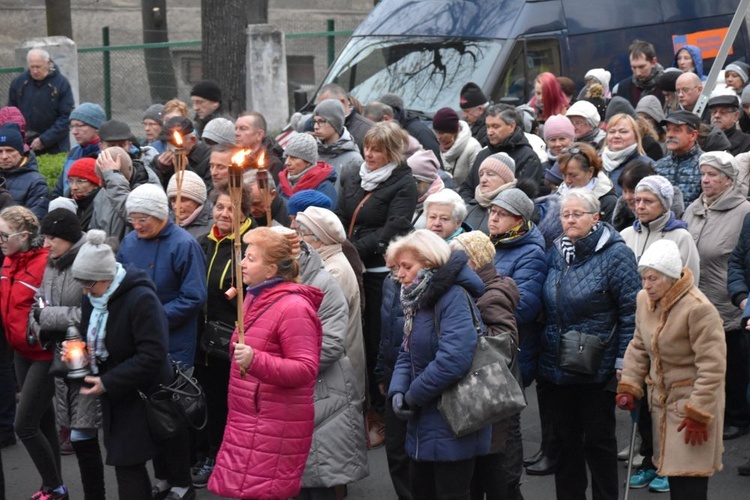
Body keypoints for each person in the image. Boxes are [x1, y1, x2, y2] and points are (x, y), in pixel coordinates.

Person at [208, 227, 323, 499]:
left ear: (271, 270)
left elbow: (306, 368)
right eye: (244, 256)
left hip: (274, 421)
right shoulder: (254, 297)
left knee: (265, 492)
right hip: (250, 416)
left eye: (250, 258)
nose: (242, 264)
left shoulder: (294, 307)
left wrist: (256, 360)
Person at [540, 189, 640, 500]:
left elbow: (631, 312)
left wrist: (624, 361)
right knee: (564, 441)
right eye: (565, 214)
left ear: (595, 217)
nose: (569, 219)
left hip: (596, 366)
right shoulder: (557, 250)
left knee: (598, 442)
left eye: (576, 214)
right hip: (557, 364)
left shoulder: (616, 254)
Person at [116, 184, 207, 500]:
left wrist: (151, 318)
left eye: (143, 219)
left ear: (160, 215)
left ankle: (182, 482)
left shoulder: (184, 244)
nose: (137, 225)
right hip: (139, 344)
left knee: (171, 418)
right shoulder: (128, 242)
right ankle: (163, 478)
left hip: (175, 342)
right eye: (133, 219)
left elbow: (194, 296)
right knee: (147, 416)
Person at [617, 239, 726, 500]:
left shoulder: (699, 309)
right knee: (672, 475)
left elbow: (713, 367)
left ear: (671, 277)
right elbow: (639, 344)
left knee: (689, 483)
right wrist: (630, 385)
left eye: (653, 278)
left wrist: (699, 413)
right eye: (643, 278)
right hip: (663, 405)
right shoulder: (645, 299)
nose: (646, 285)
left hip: (693, 407)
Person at [386, 230, 490, 500]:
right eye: (398, 267)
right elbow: (406, 352)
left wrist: (412, 396)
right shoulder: (417, 299)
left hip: (454, 418)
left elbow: (453, 360)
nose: (400, 274)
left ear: (430, 263)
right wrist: (397, 391)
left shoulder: (452, 297)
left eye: (406, 267)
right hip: (425, 419)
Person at [71, 229, 174, 498]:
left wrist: (107, 382)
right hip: (117, 392)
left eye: (89, 284)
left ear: (106, 277)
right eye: (81, 284)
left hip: (144, 392)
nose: (85, 290)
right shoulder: (92, 296)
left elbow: (153, 354)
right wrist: (77, 352)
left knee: (128, 461)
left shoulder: (140, 298)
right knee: (127, 459)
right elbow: (87, 335)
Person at [335, 121, 417, 448]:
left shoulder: (404, 183)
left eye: (377, 150)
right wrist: (341, 243)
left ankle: (380, 413)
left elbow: (393, 228)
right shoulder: (355, 174)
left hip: (377, 270)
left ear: (392, 152)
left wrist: (354, 249)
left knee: (374, 338)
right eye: (367, 147)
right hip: (349, 261)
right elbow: (342, 212)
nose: (369, 154)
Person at [29, 209, 105, 499]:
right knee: (74, 432)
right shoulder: (52, 262)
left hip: (86, 359)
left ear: (69, 239)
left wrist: (46, 317)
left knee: (84, 436)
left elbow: (92, 312)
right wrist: (39, 324)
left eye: (52, 239)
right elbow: (38, 302)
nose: (46, 245)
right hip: (60, 358)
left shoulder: (90, 261)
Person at [683, 151, 750, 444]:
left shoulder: (743, 212)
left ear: (728, 179)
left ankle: (737, 416)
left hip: (728, 301)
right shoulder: (694, 209)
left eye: (712, 175)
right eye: (703, 174)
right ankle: (709, 411)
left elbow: (739, 259)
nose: (705, 180)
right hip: (697, 297)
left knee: (732, 364)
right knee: (704, 361)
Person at [0, 206, 67, 499]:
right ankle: (53, 484)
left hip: (44, 353)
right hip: (19, 351)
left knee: (24, 425)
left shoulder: (44, 264)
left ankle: (55, 486)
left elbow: (54, 307)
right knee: (41, 421)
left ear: (24, 235)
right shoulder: (8, 261)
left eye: (4, 235)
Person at [449, 230, 520, 500]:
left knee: (496, 475)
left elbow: (505, 343)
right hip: (487, 396)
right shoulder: (479, 288)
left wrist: (462, 332)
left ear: (473, 262)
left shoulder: (491, 295)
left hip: (490, 396)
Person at [193, 185, 254, 489]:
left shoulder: (250, 244)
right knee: (206, 401)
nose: (224, 213)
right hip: (201, 340)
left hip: (231, 342)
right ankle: (208, 454)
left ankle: (227, 459)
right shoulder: (203, 243)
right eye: (219, 207)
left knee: (229, 405)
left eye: (232, 208)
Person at [486, 189, 547, 489]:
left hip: (513, 350)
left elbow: (524, 306)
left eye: (500, 214)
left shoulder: (531, 252)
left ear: (518, 220)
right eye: (492, 212)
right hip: (490, 345)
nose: (492, 218)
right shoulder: (492, 245)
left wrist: (480, 300)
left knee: (508, 423)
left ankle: (510, 487)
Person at [621, 175, 700, 281]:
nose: (640, 206)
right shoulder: (625, 235)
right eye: (637, 200)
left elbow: (689, 284)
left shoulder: (681, 238)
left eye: (648, 201)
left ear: (664, 205)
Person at [459, 104, 543, 201]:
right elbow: (467, 188)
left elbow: (523, 199)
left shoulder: (528, 158)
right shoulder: (482, 154)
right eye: (488, 127)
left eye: (495, 127)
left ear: (511, 126)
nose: (490, 132)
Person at [8, 48, 74, 155]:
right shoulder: (19, 82)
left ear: (48, 63)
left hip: (56, 146)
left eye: (38, 67)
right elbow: (11, 113)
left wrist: (44, 139)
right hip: (26, 145)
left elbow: (66, 117)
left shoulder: (61, 84)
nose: (35, 71)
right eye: (32, 67)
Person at [53, 102, 106, 198]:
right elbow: (59, 189)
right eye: (72, 126)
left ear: (97, 128)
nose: (74, 132)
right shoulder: (73, 153)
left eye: (79, 126)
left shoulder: (106, 155)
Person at [556, 143, 618, 222]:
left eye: (573, 175)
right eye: (564, 175)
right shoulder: (557, 195)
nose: (567, 181)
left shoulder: (607, 201)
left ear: (590, 172)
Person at [654, 111, 704, 205]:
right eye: (668, 130)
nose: (669, 135)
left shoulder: (705, 165)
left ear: (693, 135)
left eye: (677, 130)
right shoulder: (658, 166)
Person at [0, 123, 49, 220]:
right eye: (0, 152)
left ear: (21, 152)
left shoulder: (36, 183)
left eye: (10, 150)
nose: (4, 156)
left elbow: (34, 223)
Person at [313, 99, 364, 192]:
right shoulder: (313, 152)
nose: (316, 126)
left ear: (335, 123)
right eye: (315, 121)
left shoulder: (353, 160)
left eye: (321, 121)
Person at [465, 153, 518, 234]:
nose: (483, 180)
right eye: (481, 174)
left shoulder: (516, 210)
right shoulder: (469, 208)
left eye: (490, 174)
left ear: (506, 180)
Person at [278, 132, 337, 205]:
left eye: (294, 157)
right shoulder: (283, 183)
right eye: (287, 156)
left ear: (309, 162)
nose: (287, 162)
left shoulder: (324, 188)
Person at [154, 117, 212, 190]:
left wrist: (186, 169)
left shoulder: (210, 158)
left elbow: (208, 191)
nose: (170, 148)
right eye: (166, 142)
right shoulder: (161, 159)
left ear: (193, 140)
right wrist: (162, 170)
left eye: (174, 143)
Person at [601, 113, 654, 192]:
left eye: (623, 132)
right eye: (612, 132)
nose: (616, 136)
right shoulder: (595, 163)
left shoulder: (647, 165)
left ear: (635, 137)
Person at [317, 83, 374, 153]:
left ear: (342, 102)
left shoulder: (368, 130)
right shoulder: (316, 125)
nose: (321, 112)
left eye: (327, 106)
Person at [432, 107, 481, 186]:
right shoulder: (436, 146)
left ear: (454, 132)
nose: (438, 137)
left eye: (441, 133)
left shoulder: (473, 148)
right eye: (436, 132)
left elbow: (476, 183)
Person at [234, 111, 284, 184]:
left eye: (243, 128)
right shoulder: (233, 159)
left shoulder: (272, 164)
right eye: (236, 128)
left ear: (259, 134)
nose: (236, 133)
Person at [613, 39, 665, 107]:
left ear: (653, 62)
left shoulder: (666, 85)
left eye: (642, 67)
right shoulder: (622, 88)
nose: (638, 73)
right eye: (634, 67)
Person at [166, 170, 212, 239]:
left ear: (197, 201)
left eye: (183, 200)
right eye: (173, 200)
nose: (176, 207)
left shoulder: (214, 227)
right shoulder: (166, 224)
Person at [408, 150, 445, 228]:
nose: (409, 186)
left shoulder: (442, 205)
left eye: (415, 181)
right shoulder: (405, 197)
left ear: (428, 181)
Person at [460, 82, 489, 146]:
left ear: (480, 109)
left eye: (467, 111)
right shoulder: (467, 125)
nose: (464, 116)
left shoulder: (489, 128)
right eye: (463, 111)